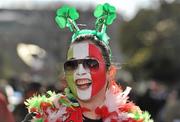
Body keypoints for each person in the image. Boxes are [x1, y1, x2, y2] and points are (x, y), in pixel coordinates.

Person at [24, 3, 153, 122]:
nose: (79, 72)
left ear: (110, 72)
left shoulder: (131, 120)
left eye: (91, 63)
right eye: (72, 65)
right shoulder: (42, 117)